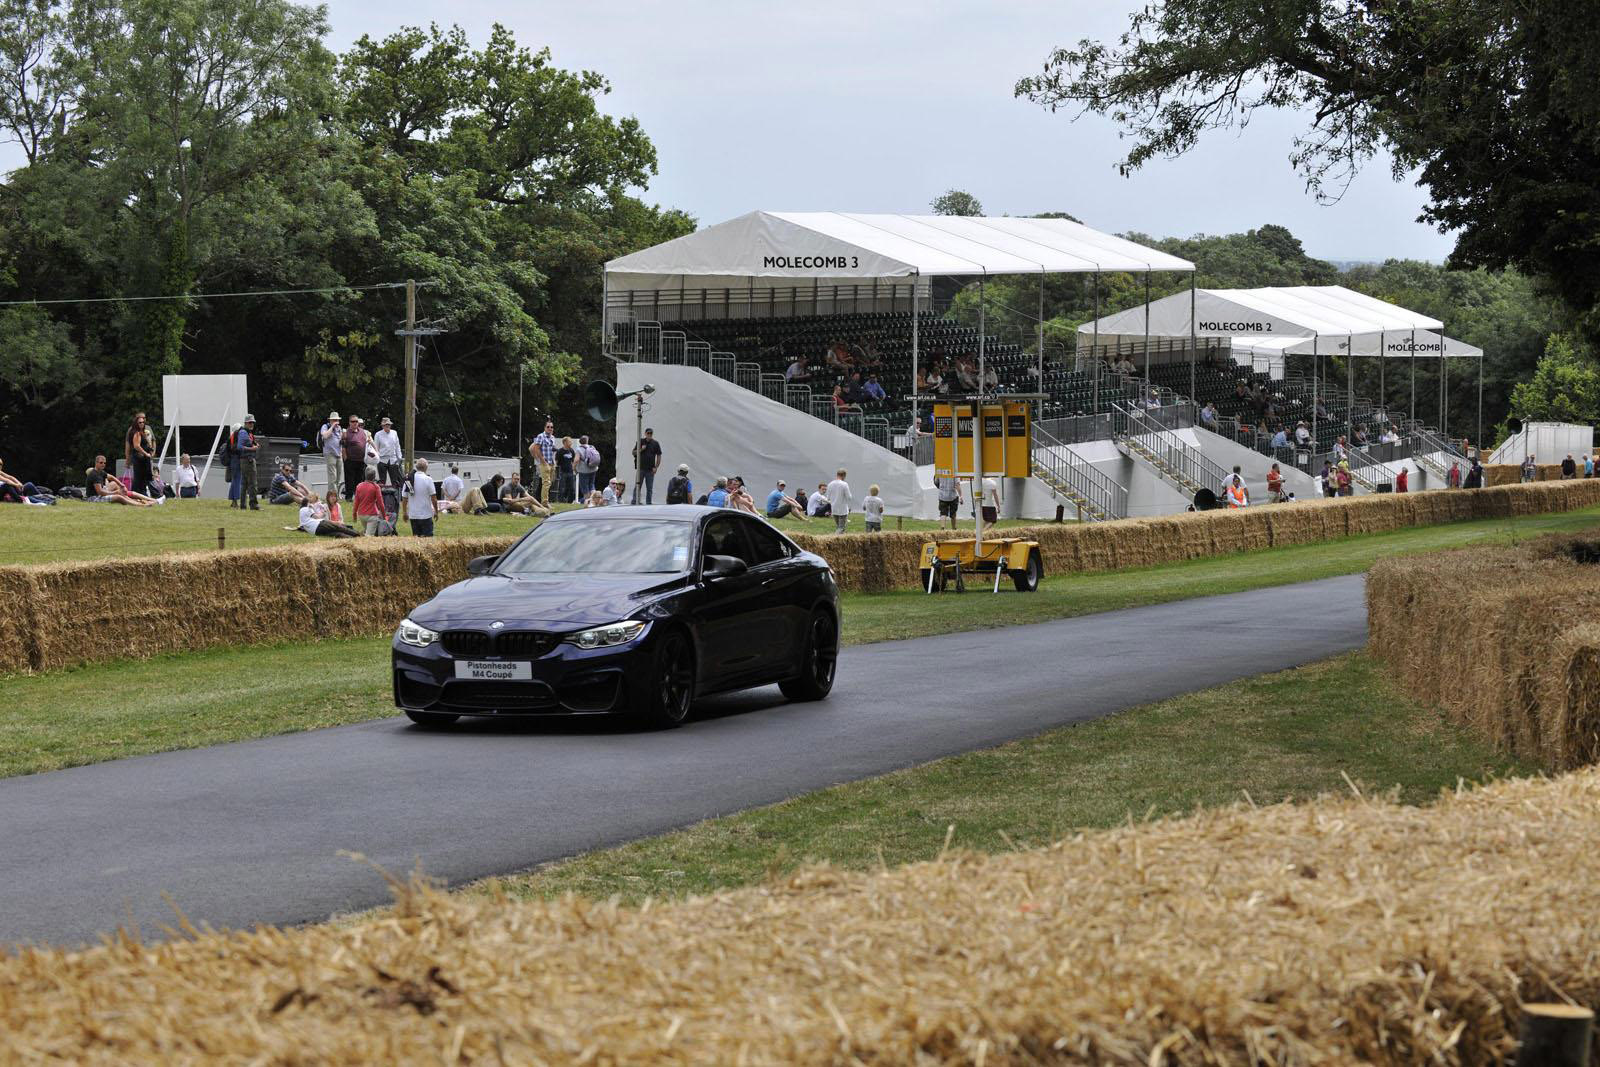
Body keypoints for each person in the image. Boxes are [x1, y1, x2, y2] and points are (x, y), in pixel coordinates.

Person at [404, 458, 439, 537]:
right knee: (428, 539)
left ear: (416, 467)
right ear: (426, 468)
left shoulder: (408, 479)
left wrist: (404, 512)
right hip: (425, 515)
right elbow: (434, 498)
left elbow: (404, 497)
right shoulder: (428, 479)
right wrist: (436, 511)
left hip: (413, 515)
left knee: (417, 541)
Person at [234, 414, 261, 510]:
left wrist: (255, 445)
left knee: (244, 483)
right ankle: (253, 504)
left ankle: (243, 505)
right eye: (250, 422)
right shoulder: (243, 433)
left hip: (246, 460)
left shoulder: (248, 433)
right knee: (252, 483)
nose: (252, 424)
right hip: (247, 460)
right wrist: (252, 448)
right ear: (245, 423)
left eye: (253, 422)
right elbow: (239, 447)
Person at [529, 419, 558, 505]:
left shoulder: (553, 437)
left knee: (549, 483)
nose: (550, 428)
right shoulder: (541, 436)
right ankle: (544, 502)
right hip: (544, 463)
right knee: (546, 483)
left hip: (551, 463)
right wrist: (542, 461)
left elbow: (551, 448)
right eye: (548, 427)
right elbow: (535, 448)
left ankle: (543, 500)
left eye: (551, 427)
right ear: (545, 428)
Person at [353, 466, 390, 535]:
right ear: (374, 476)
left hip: (361, 515)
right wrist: (384, 516)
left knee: (367, 531)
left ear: (365, 475)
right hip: (372, 515)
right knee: (369, 536)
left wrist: (354, 514)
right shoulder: (376, 487)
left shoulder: (359, 486)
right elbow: (380, 503)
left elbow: (356, 502)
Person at [340, 416, 370, 501]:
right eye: (353, 421)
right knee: (350, 480)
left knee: (359, 480)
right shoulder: (346, 432)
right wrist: (345, 459)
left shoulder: (362, 432)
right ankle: (349, 497)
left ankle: (359, 497)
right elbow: (343, 446)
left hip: (361, 460)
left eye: (356, 421)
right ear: (349, 422)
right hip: (350, 460)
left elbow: (368, 443)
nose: (355, 423)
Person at [632, 427, 662, 504]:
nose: (649, 434)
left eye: (650, 433)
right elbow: (633, 452)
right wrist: (641, 449)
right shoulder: (640, 441)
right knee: (638, 486)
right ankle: (635, 501)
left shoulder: (655, 443)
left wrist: (656, 467)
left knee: (649, 488)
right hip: (640, 468)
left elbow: (659, 455)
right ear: (645, 434)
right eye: (648, 433)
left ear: (652, 434)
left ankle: (648, 503)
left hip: (650, 470)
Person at [318, 411, 344, 498]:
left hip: (338, 454)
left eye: (337, 420)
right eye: (334, 420)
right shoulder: (325, 426)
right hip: (330, 454)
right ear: (330, 420)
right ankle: (333, 496)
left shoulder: (339, 428)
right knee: (332, 476)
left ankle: (333, 495)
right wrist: (332, 426)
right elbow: (325, 436)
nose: (336, 421)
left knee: (338, 476)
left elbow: (340, 440)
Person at [374, 416, 402, 489]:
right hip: (382, 459)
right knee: (382, 481)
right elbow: (376, 448)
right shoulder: (378, 434)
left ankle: (395, 497)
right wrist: (377, 458)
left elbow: (397, 446)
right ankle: (381, 497)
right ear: (382, 426)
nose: (387, 426)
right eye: (386, 425)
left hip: (393, 459)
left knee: (395, 480)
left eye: (388, 424)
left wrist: (399, 457)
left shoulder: (394, 433)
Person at [825, 468, 852, 533]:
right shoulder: (844, 484)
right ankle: (834, 538)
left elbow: (827, 498)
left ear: (837, 474)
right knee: (841, 528)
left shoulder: (830, 484)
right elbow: (849, 497)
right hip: (842, 509)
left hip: (834, 508)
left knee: (839, 527)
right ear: (844, 476)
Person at [574, 435, 601, 499]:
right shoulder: (592, 447)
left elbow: (576, 460)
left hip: (583, 471)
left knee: (585, 488)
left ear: (580, 442)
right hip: (593, 469)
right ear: (587, 441)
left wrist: (574, 468)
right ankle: (595, 500)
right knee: (591, 485)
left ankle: (588, 502)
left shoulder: (579, 449)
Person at [554, 436, 577, 503]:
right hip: (563, 472)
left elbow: (573, 461)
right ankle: (561, 501)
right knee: (562, 488)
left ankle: (570, 501)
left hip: (570, 472)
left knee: (572, 488)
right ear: (564, 442)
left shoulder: (571, 450)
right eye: (569, 441)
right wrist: (555, 470)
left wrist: (574, 469)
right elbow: (556, 461)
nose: (571, 443)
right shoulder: (560, 451)